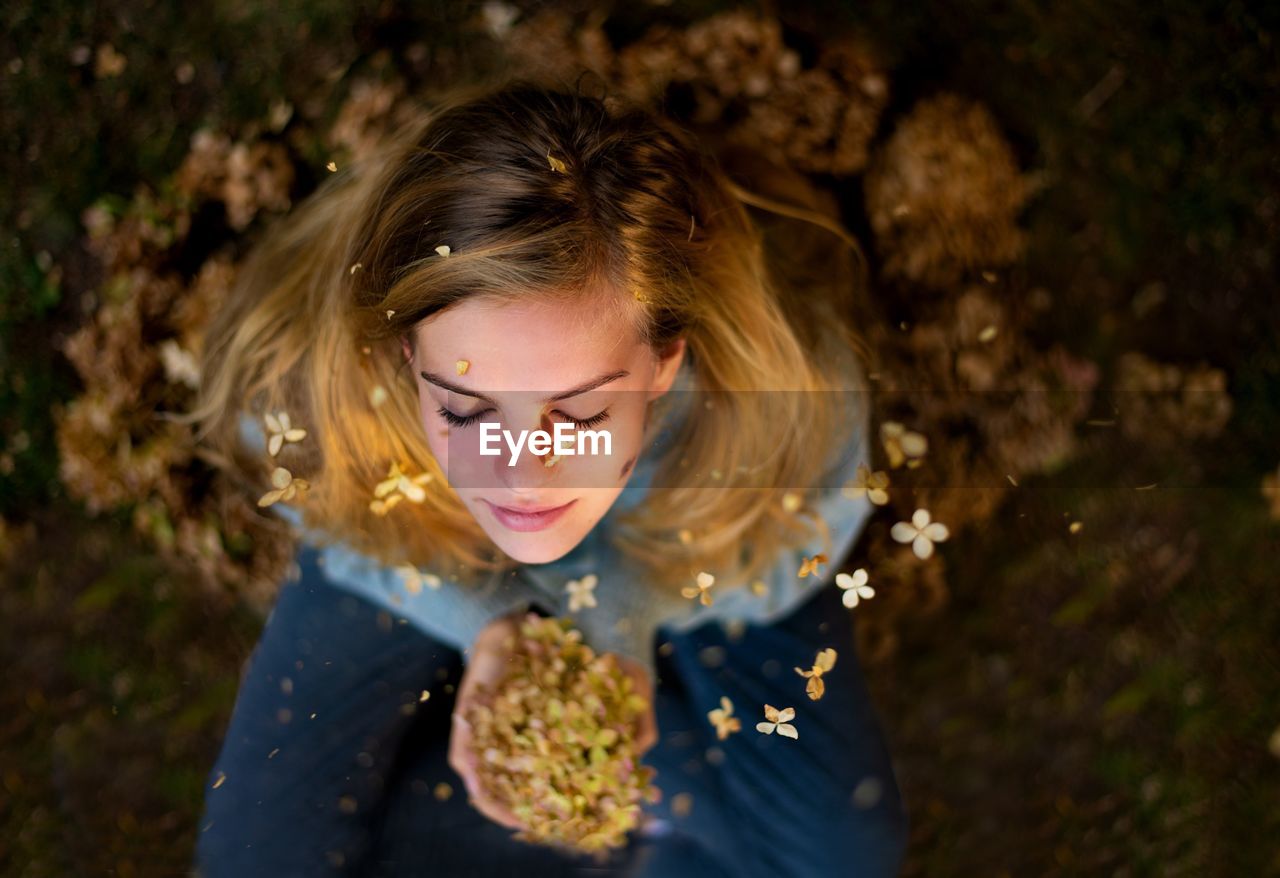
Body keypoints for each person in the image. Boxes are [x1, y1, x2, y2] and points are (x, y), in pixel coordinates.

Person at [186, 76, 908, 877]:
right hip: (420, 546)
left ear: (666, 359)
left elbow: (785, 546)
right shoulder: (316, 387)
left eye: (583, 415)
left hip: (692, 556)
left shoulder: (785, 411)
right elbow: (321, 502)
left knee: (844, 858)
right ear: (405, 356)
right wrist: (482, 619)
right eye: (465, 410)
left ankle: (521, 804)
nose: (521, 476)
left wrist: (623, 623)